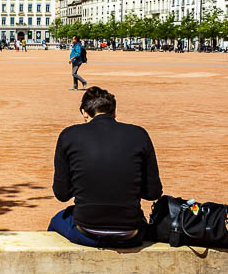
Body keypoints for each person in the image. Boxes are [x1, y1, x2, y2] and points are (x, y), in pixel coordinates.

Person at [49, 86, 162, 248]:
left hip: (86, 229)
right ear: (114, 112)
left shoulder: (69, 135)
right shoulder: (139, 134)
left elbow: (62, 194)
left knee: (56, 222)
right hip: (130, 232)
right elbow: (153, 193)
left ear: (84, 113)